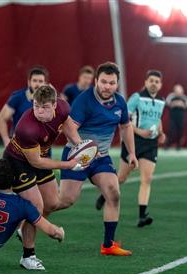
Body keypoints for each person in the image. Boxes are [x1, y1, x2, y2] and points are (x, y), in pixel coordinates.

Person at [58, 62, 138, 256]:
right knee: (65, 200)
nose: (107, 86)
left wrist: (132, 153)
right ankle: (33, 218)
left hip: (101, 158)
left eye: (111, 83)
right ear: (96, 81)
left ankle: (108, 245)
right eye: (103, 82)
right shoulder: (84, 100)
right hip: (76, 154)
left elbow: (126, 127)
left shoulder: (120, 102)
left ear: (117, 84)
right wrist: (87, 148)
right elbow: (68, 128)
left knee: (113, 192)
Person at [3, 85, 82, 270]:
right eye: (36, 105)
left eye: (44, 107)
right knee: (35, 206)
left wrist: (80, 146)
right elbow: (37, 162)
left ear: (55, 105)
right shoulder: (26, 128)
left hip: (40, 157)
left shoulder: (63, 107)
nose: (39, 110)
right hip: (18, 162)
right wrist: (68, 165)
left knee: (53, 203)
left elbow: (67, 123)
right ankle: (28, 256)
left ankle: (24, 227)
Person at [96, 70, 166, 228]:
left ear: (160, 85)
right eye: (151, 80)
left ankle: (142, 215)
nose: (154, 83)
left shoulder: (162, 100)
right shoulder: (137, 97)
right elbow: (124, 119)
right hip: (133, 142)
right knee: (121, 178)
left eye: (157, 81)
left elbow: (158, 118)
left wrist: (161, 132)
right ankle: (104, 195)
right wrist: (140, 131)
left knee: (147, 179)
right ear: (146, 82)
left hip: (151, 144)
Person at [0, 66, 48, 146]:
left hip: (42, 146)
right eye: (34, 81)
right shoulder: (18, 97)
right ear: (29, 82)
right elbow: (1, 119)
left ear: (45, 84)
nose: (37, 84)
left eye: (40, 81)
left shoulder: (50, 100)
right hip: (20, 145)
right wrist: (6, 140)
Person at [165, 84, 187, 150]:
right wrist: (175, 104)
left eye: (180, 91)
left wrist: (181, 105)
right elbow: (167, 103)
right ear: (174, 91)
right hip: (173, 117)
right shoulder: (171, 96)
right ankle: (167, 145)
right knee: (171, 131)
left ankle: (178, 145)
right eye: (177, 90)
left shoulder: (184, 98)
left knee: (180, 131)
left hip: (181, 117)